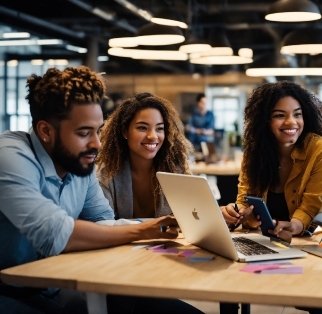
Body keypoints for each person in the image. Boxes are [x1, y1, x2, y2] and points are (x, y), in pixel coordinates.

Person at [0, 66, 203, 313]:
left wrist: (154, 228)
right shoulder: (10, 155)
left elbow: (104, 223)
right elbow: (53, 233)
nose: (96, 143)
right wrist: (140, 230)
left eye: (97, 131)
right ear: (45, 131)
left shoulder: (79, 165)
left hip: (55, 284)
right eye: (84, 133)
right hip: (8, 289)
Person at [220, 81, 322, 244]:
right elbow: (244, 199)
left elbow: (309, 209)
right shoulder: (254, 151)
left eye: (297, 114)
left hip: (311, 243)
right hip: (264, 241)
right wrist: (235, 213)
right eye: (280, 115)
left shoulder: (319, 150)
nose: (291, 122)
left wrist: (292, 226)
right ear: (264, 121)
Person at [96, 92, 194, 219]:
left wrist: (221, 213)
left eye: (159, 129)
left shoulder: (177, 170)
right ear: (125, 131)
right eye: (142, 128)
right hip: (124, 239)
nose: (153, 136)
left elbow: (194, 215)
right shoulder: (107, 173)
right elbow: (102, 223)